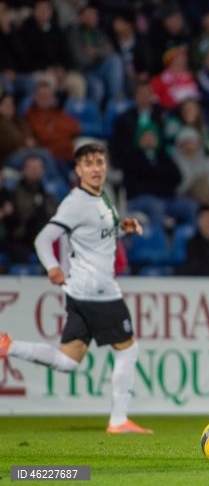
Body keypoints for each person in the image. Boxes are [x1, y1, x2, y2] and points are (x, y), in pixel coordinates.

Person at [0, 141, 152, 435]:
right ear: (78, 170)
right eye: (88, 164)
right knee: (128, 349)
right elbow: (43, 239)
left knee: (68, 361)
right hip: (97, 291)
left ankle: (9, 346)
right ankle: (119, 420)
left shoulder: (100, 198)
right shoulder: (76, 203)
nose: (96, 169)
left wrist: (124, 228)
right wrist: (52, 266)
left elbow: (100, 232)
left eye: (100, 162)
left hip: (82, 291)